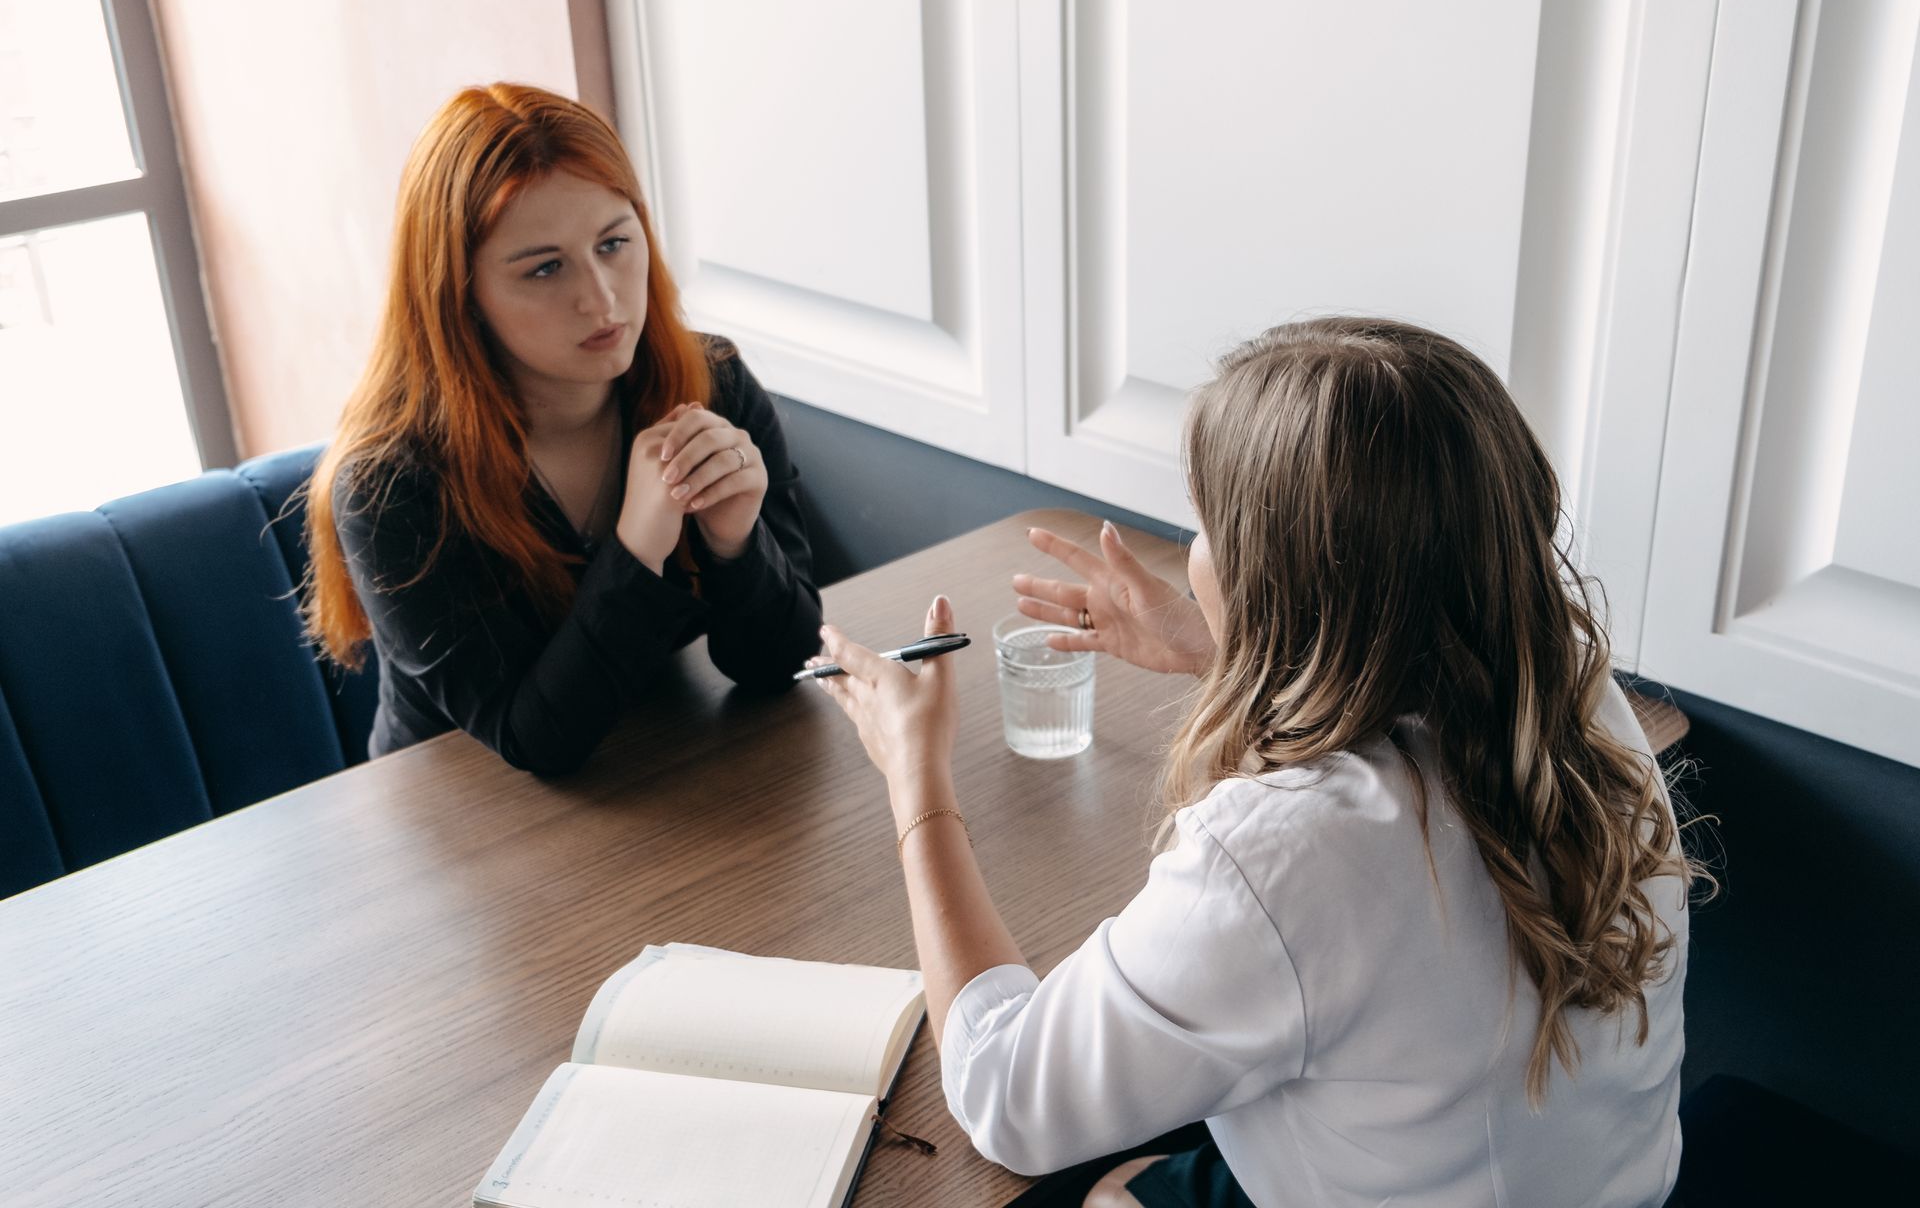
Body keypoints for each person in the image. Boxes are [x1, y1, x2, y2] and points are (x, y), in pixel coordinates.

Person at [810, 318, 1701, 1207]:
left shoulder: (1288, 852)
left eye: (1202, 528)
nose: (1192, 553)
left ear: (1279, 578)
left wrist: (913, 772)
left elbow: (1007, 1093)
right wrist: (1231, 649)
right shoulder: (1574, 691)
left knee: (1104, 1193)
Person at [303, 84, 820, 773]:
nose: (601, 298)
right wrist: (639, 544)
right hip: (453, 819)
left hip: (655, 772)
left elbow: (777, 666)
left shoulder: (711, 383)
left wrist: (736, 545)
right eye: (544, 268)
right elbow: (534, 740)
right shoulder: (390, 486)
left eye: (613, 243)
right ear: (459, 295)